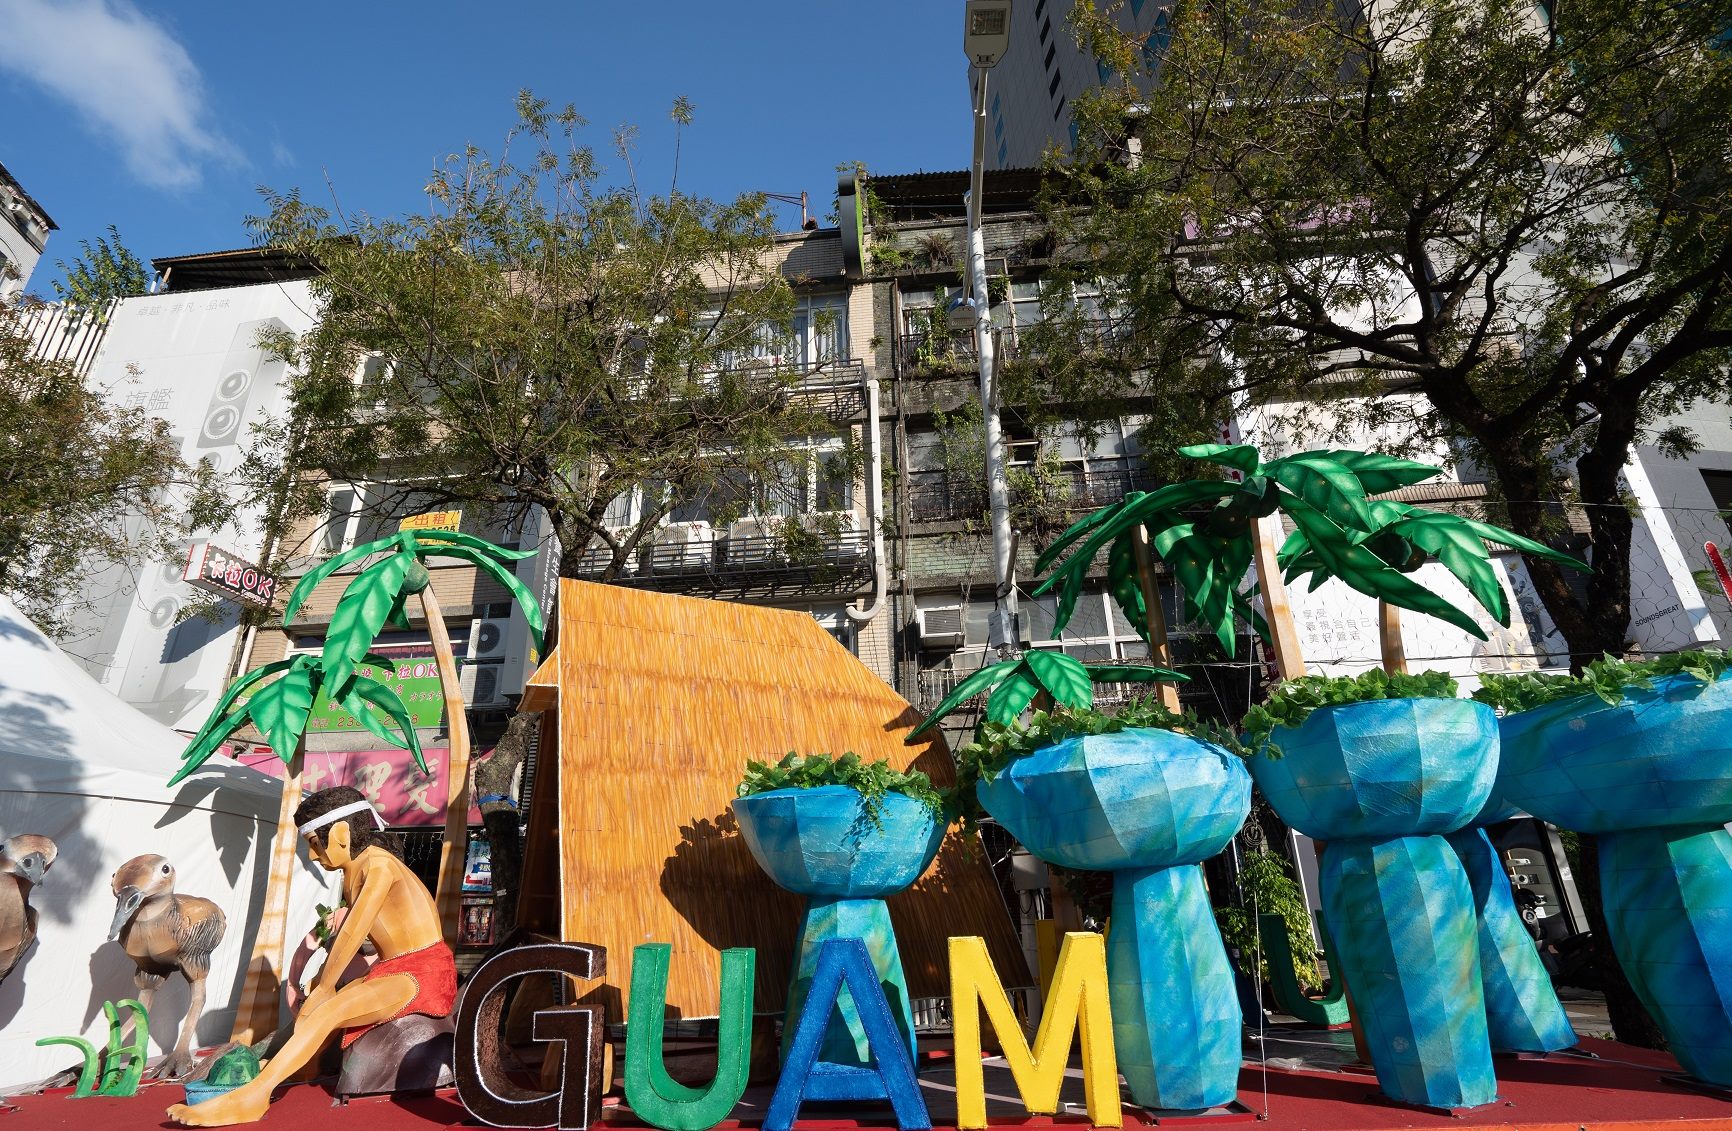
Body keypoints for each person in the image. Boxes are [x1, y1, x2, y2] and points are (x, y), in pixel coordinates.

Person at [167, 787, 456, 1126]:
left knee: (329, 1009)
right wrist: (322, 982)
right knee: (318, 1009)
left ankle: (254, 1096)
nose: (314, 855)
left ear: (342, 834)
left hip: (422, 973)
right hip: (393, 969)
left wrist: (325, 987)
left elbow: (353, 931)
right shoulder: (356, 870)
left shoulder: (379, 867)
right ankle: (271, 1072)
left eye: (316, 842)